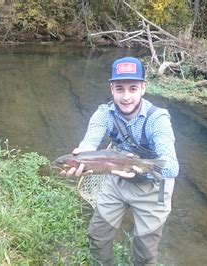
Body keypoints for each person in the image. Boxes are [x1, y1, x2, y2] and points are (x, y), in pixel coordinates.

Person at [60, 56, 179, 265]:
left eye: (132, 89)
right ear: (111, 89)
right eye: (120, 88)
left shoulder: (157, 119)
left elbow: (171, 167)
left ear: (143, 88)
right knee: (97, 236)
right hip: (116, 180)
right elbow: (89, 144)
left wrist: (139, 170)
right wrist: (81, 158)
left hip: (153, 185)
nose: (126, 97)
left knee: (144, 254)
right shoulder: (104, 114)